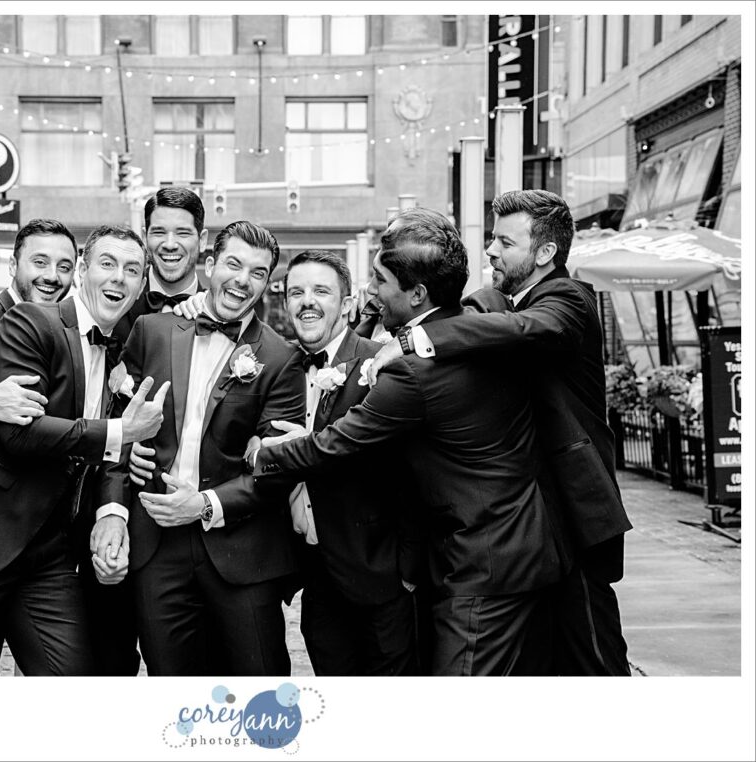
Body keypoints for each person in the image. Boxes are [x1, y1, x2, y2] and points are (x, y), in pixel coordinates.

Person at [251, 208, 564, 675]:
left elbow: (334, 445)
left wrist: (264, 455)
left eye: (380, 280)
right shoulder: (473, 327)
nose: (370, 290)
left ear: (416, 294)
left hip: (484, 559)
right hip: (511, 545)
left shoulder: (414, 370)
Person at [368, 190, 632, 676]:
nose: (490, 250)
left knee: (594, 664)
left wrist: (418, 338)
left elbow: (530, 329)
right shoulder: (498, 301)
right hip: (521, 536)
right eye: (491, 239)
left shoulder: (568, 299)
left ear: (545, 254)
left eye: (505, 242)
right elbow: (469, 313)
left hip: (571, 519)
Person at [0, 220, 169, 676]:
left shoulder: (118, 341)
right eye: (106, 264)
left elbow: (96, 451)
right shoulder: (6, 320)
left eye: (132, 270)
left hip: (46, 547)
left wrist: (110, 511)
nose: (51, 274)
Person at [96, 220, 306, 676]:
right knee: (175, 690)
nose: (242, 280)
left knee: (260, 690)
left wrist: (206, 503)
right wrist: (113, 510)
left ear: (268, 284)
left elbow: (278, 466)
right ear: (210, 266)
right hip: (156, 547)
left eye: (257, 272)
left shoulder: (280, 358)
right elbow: (115, 437)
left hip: (241, 551)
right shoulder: (150, 331)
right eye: (233, 264)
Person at [250, 249, 420, 675]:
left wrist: (410, 570)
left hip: (379, 575)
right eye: (296, 293)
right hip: (315, 575)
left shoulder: (378, 364)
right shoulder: (277, 366)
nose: (306, 301)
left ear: (346, 305)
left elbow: (409, 470)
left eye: (320, 291)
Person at [113, 186, 208, 342]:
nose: (170, 245)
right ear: (144, 237)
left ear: (202, 240)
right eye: (159, 232)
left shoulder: (216, 314)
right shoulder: (117, 302)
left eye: (183, 233)